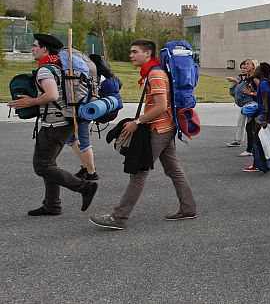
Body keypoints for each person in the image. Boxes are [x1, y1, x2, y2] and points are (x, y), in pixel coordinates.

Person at [90, 39, 196, 230]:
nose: (131, 55)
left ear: (148, 53)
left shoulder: (155, 74)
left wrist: (137, 122)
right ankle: (188, 208)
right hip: (167, 127)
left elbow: (161, 106)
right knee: (174, 170)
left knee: (139, 172)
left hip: (158, 129)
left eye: (134, 52)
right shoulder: (155, 72)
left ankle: (119, 217)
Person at [8, 34, 98, 216]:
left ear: (44, 49)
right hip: (64, 121)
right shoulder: (59, 67)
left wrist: (30, 102)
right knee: (49, 163)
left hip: (55, 124)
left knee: (42, 166)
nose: (32, 49)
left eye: (35, 46)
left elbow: (52, 96)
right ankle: (52, 205)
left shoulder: (45, 70)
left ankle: (84, 187)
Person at [226, 59, 257, 155]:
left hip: (252, 106)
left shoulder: (255, 78)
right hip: (246, 105)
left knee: (251, 127)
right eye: (244, 65)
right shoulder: (246, 77)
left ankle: (250, 150)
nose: (245, 67)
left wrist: (250, 92)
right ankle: (241, 143)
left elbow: (262, 92)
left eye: (247, 64)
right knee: (244, 124)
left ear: (253, 66)